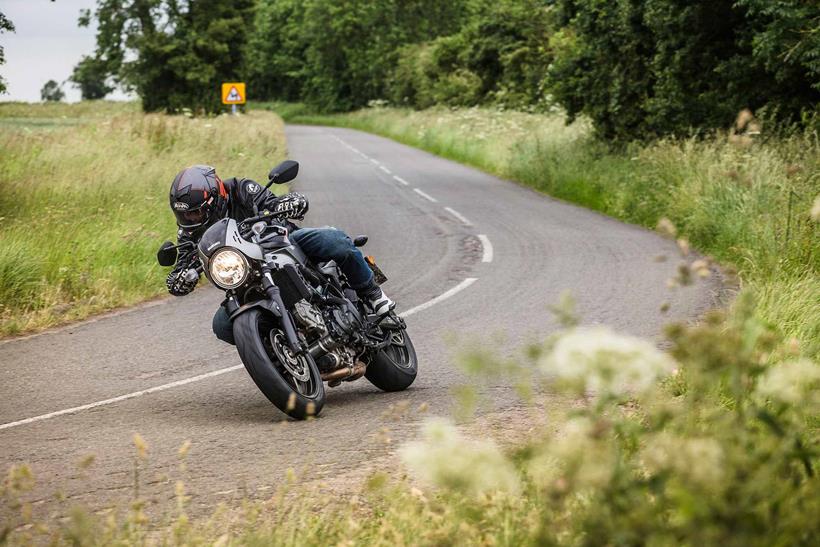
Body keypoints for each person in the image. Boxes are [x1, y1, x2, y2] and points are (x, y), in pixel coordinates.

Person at [165, 164, 394, 345]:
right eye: (184, 215)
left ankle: (372, 293)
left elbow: (271, 202)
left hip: (282, 244)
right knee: (223, 326)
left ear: (214, 198)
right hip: (245, 277)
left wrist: (290, 202)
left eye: (195, 213)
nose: (190, 220)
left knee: (335, 241)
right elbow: (183, 262)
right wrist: (180, 279)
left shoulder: (241, 189)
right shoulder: (188, 231)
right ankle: (276, 350)